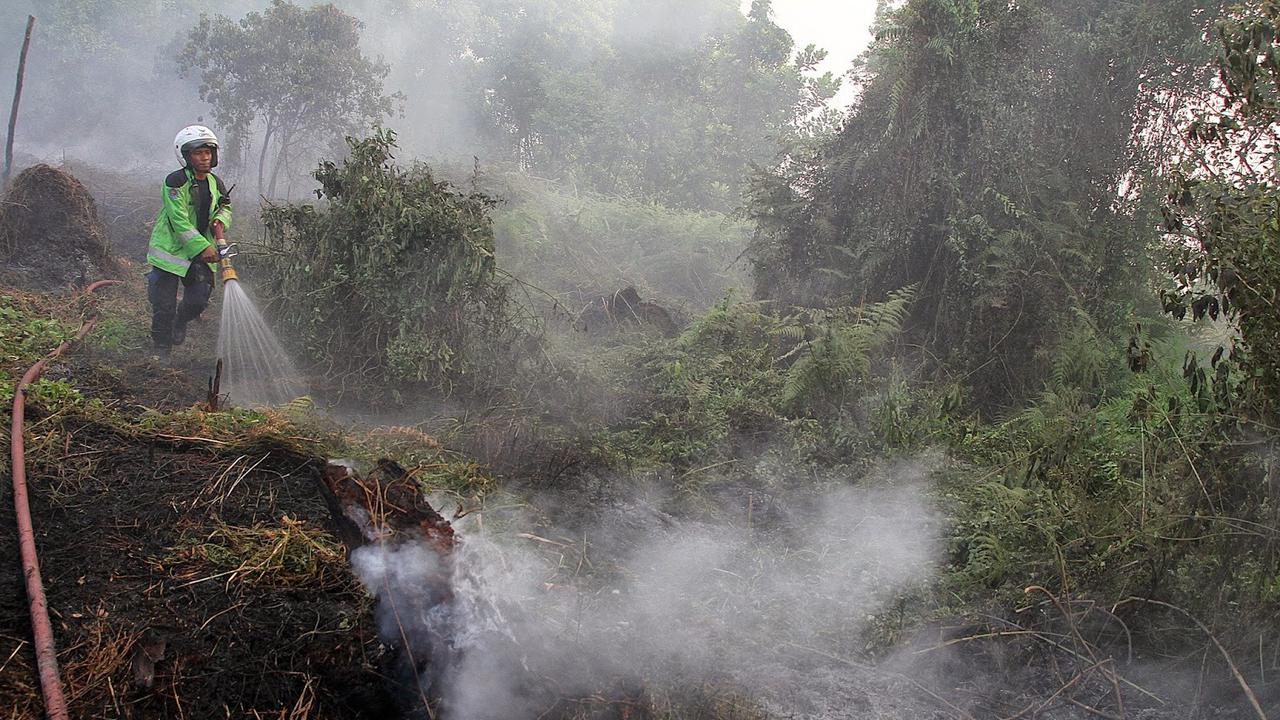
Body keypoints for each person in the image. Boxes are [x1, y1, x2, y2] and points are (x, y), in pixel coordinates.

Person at [146, 125, 232, 360]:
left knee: (198, 300)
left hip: (199, 251)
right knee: (164, 306)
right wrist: (202, 247)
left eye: (208, 153)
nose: (204, 158)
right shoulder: (175, 182)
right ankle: (162, 351)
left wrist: (220, 221)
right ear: (185, 156)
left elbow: (225, 207)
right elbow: (179, 220)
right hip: (171, 251)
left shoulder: (216, 183)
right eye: (198, 153)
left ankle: (180, 321)